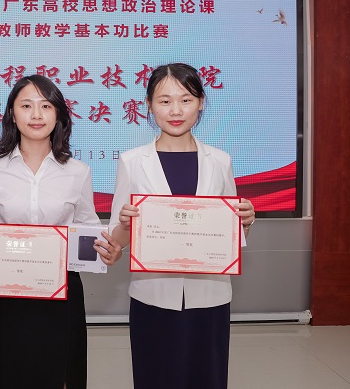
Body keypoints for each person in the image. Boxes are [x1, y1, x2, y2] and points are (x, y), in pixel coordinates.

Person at [0, 74, 122, 389]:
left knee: (61, 376)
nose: (36, 115)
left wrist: (108, 250)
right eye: (26, 106)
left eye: (45, 106)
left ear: (58, 115)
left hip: (61, 294)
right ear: (12, 114)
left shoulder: (78, 172)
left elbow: (88, 230)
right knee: (8, 375)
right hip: (6, 294)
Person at [109, 63, 256, 389]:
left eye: (186, 100)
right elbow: (116, 241)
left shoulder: (221, 161)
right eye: (164, 101)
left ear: (201, 102)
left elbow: (230, 238)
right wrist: (124, 223)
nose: (175, 111)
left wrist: (245, 221)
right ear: (149, 105)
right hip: (152, 296)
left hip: (210, 296)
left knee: (207, 379)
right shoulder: (132, 161)